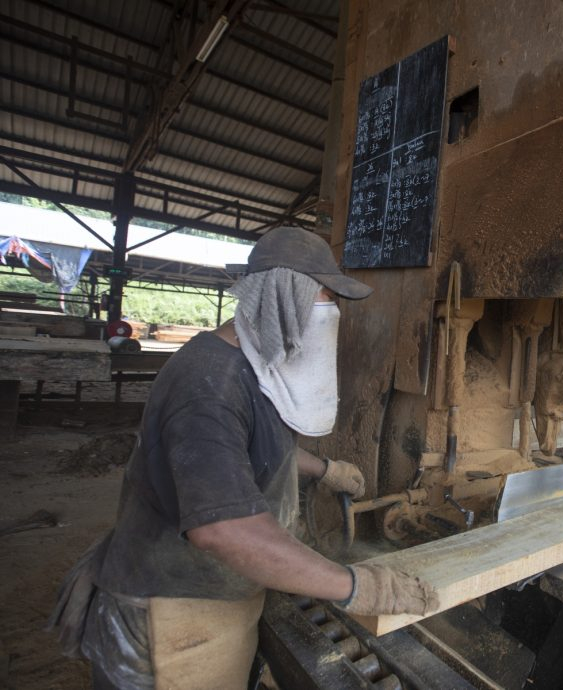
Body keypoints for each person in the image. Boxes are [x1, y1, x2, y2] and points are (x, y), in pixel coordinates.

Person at [48, 227, 438, 689]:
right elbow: (223, 529)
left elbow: (244, 450)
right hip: (169, 610)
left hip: (214, 595)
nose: (333, 311)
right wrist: (357, 586)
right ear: (282, 296)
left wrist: (325, 470)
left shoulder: (252, 367)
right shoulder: (208, 386)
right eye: (326, 296)